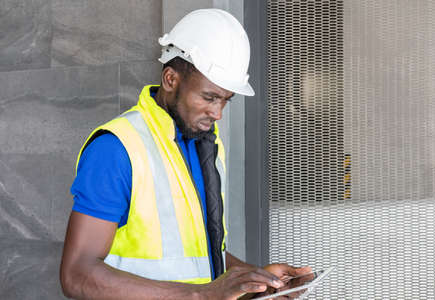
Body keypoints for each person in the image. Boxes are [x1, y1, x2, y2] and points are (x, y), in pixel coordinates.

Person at [60, 8, 311, 300]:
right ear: (170, 79)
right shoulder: (117, 148)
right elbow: (77, 274)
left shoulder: (205, 146)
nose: (217, 113)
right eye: (209, 97)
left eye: (225, 101)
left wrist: (257, 283)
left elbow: (195, 255)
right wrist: (200, 296)